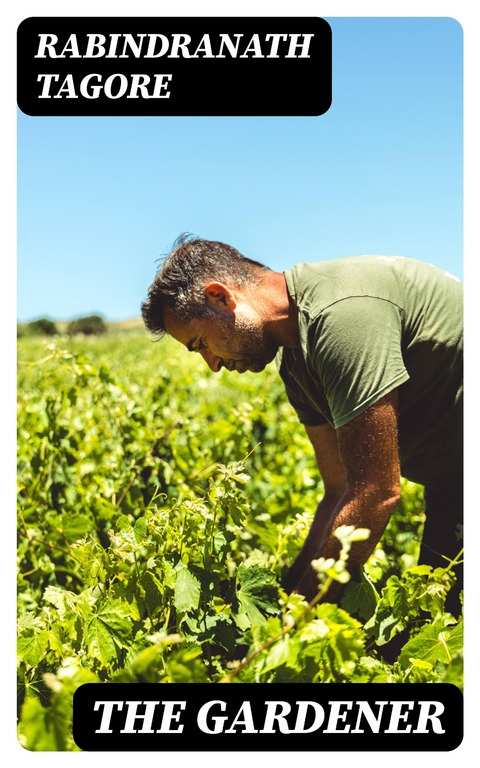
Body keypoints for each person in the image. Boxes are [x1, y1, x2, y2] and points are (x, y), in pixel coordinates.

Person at [141, 234, 463, 611]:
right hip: (454, 483)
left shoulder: (340, 317)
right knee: (437, 614)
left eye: (200, 343)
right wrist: (286, 596)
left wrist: (298, 616)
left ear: (221, 297)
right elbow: (338, 489)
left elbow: (375, 492)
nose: (211, 365)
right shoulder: (295, 360)